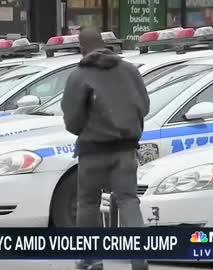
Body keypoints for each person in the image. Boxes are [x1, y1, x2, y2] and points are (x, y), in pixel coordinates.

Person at [61, 28, 150, 270]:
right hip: (125, 150)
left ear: (81, 47)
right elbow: (144, 105)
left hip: (92, 152)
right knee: (129, 201)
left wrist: (89, 129)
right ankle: (139, 260)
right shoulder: (130, 71)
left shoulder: (79, 75)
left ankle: (92, 259)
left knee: (88, 203)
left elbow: (71, 121)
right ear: (105, 44)